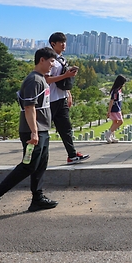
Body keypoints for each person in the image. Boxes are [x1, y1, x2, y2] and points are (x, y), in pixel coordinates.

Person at [0, 47, 59, 220]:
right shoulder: (33, 80)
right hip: (33, 130)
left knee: (40, 165)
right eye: (51, 61)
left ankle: (37, 198)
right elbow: (29, 108)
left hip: (42, 129)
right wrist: (34, 132)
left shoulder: (41, 79)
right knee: (28, 166)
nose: (53, 64)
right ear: (42, 60)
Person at [46, 32, 88, 165]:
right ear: (53, 44)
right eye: (61, 43)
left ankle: (72, 155)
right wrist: (66, 76)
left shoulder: (62, 59)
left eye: (65, 42)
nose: (64, 45)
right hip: (50, 100)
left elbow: (63, 78)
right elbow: (46, 79)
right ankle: (33, 156)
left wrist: (68, 93)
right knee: (42, 129)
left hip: (61, 98)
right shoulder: (49, 59)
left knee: (66, 128)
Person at [102, 75, 127, 143]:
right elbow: (111, 101)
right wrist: (109, 111)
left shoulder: (118, 90)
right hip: (115, 109)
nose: (124, 84)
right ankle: (108, 133)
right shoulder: (115, 91)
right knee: (121, 122)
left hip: (117, 108)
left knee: (115, 122)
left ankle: (112, 136)